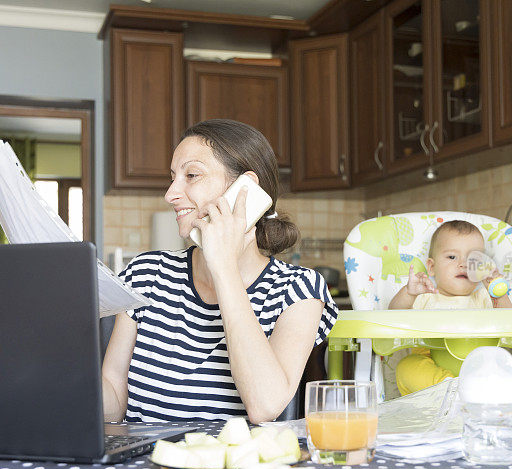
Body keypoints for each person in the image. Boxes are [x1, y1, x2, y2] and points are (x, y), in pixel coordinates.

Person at [102, 119, 338, 424]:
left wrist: (224, 267)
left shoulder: (299, 290)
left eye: (192, 175)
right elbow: (114, 400)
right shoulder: (145, 274)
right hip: (145, 468)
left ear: (246, 190)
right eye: (173, 178)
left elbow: (265, 406)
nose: (171, 194)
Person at [388, 220, 512, 394]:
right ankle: (451, 389)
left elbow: (511, 324)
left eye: (473, 259)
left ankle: (466, 391)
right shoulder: (425, 296)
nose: (463, 264)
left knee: (505, 365)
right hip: (432, 368)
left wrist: (498, 293)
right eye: (452, 257)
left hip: (479, 369)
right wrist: (409, 293)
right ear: (431, 267)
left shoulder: (484, 298)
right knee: (407, 367)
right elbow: (393, 315)